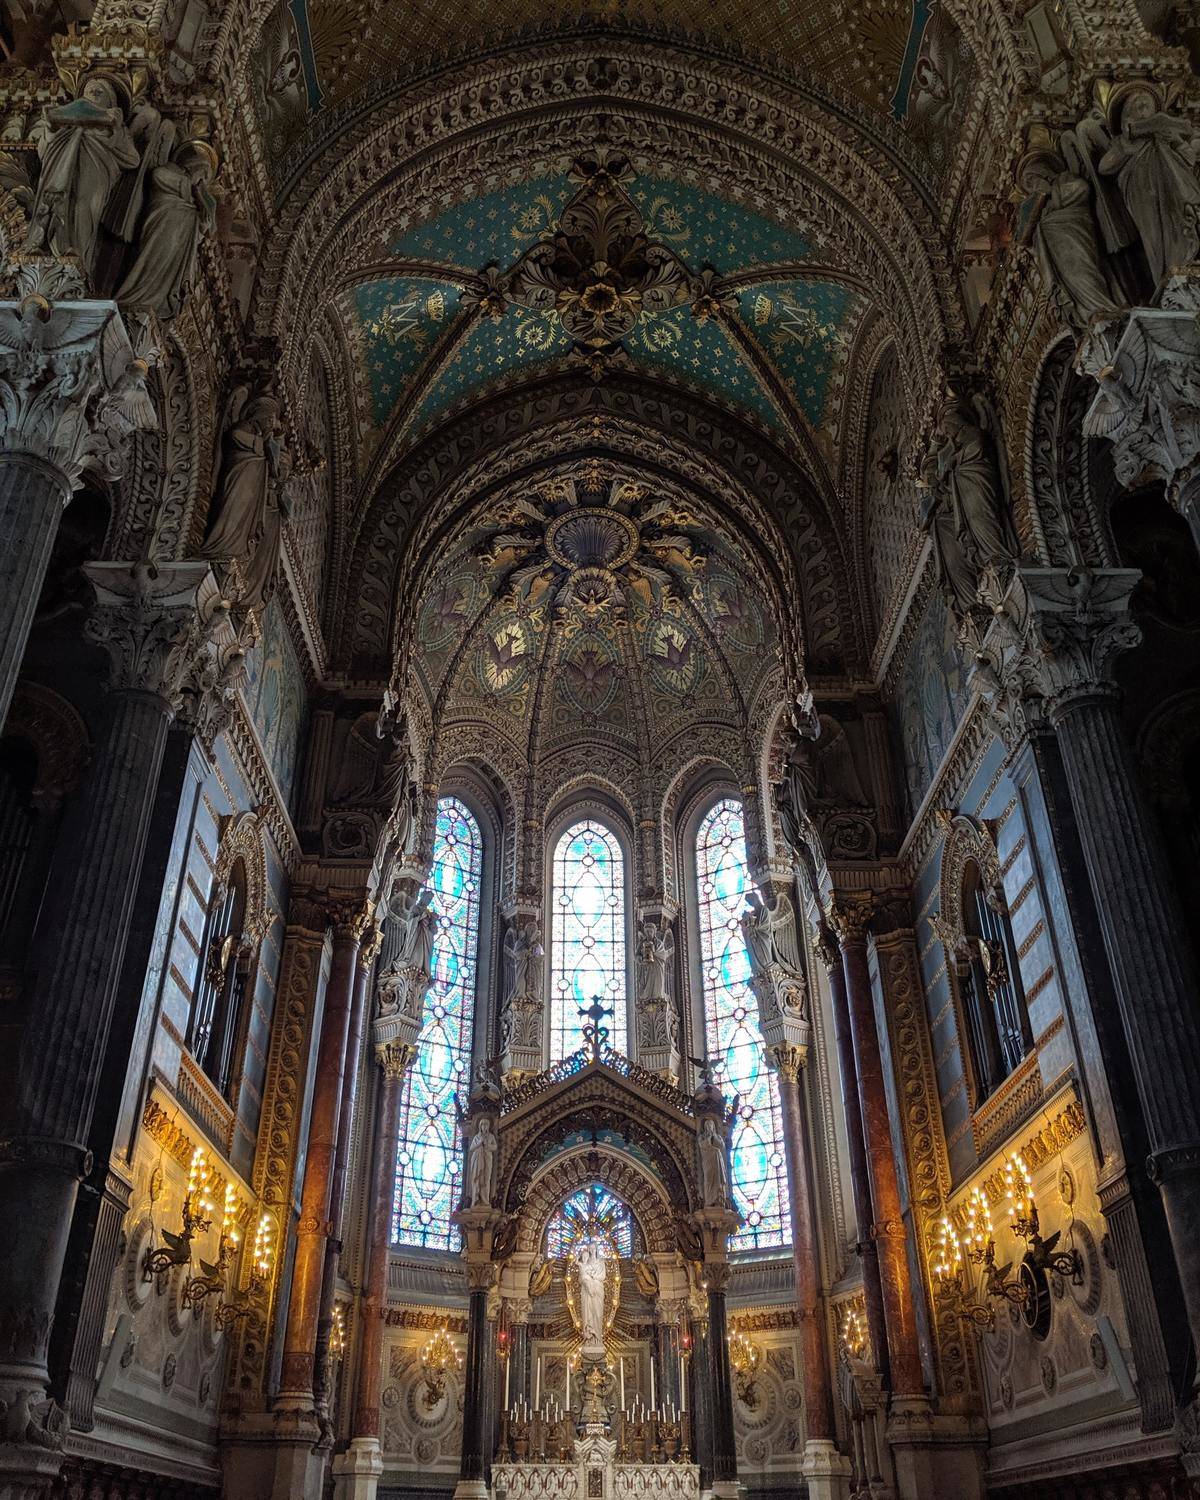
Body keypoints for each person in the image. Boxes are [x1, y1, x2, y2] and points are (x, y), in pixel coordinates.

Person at [26, 77, 138, 270]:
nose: (92, 95)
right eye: (89, 91)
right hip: (57, 173)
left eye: (99, 91)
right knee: (52, 203)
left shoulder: (115, 126)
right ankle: (43, 246)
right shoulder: (67, 125)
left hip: (95, 172)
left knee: (84, 207)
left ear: (110, 101)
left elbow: (132, 158)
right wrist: (52, 127)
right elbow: (44, 149)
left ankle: (77, 256)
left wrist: (115, 128)